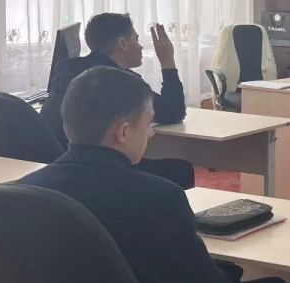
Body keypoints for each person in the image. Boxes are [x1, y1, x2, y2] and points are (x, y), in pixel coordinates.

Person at [21, 66, 290, 283]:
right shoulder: (158, 196)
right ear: (124, 132)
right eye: (149, 123)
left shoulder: (24, 192)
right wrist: (230, 271)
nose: (151, 134)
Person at [41, 13, 194, 188]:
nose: (141, 46)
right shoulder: (119, 83)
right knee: (180, 171)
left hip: (61, 170)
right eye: (136, 39)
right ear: (123, 44)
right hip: (99, 175)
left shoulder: (68, 70)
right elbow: (172, 112)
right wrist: (168, 63)